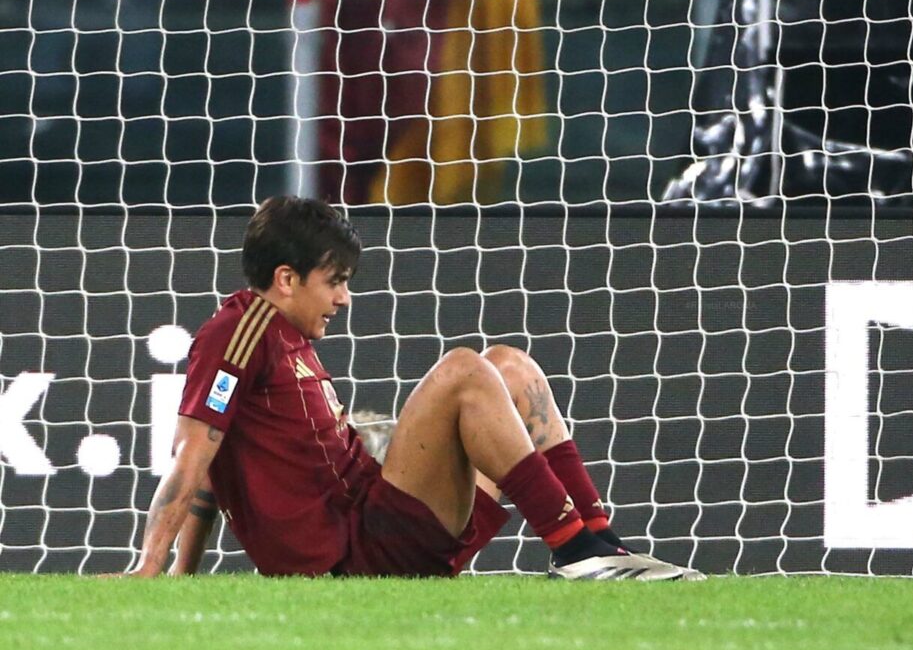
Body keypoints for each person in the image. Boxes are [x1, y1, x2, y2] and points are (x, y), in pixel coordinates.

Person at [130, 195, 698, 580]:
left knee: (511, 367)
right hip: (355, 552)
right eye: (335, 282)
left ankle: (602, 545)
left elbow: (213, 457)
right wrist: (154, 568)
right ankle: (574, 550)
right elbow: (195, 455)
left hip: (385, 533)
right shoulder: (239, 332)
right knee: (464, 371)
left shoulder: (286, 339)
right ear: (285, 278)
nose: (343, 299)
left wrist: (183, 575)